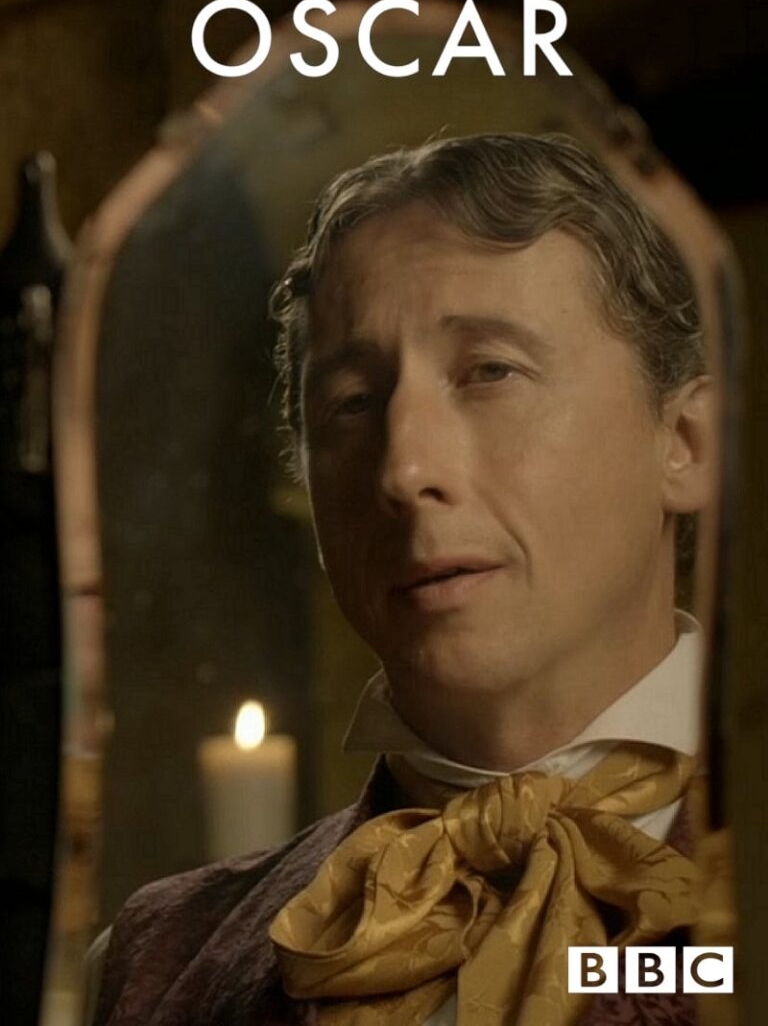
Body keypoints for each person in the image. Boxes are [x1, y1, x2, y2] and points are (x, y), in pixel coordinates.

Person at [89, 133, 713, 1026]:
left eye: (490, 371)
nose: (403, 467)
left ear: (684, 443)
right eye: (350, 403)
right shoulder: (154, 962)